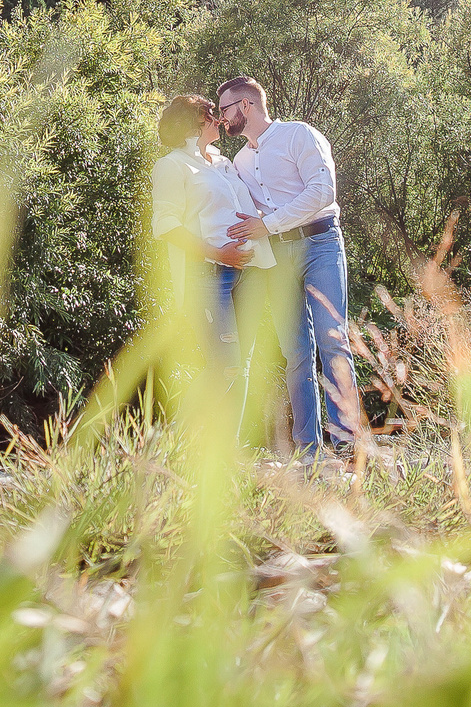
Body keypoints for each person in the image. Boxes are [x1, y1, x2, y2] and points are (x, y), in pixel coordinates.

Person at [216, 76, 354, 455]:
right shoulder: (240, 161)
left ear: (245, 106)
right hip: (277, 258)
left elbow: (323, 191)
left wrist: (268, 224)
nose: (221, 118)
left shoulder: (299, 135)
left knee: (333, 341)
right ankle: (307, 451)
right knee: (296, 352)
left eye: (225, 110)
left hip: (320, 244)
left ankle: (346, 445)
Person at [148, 94, 272, 354]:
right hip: (208, 276)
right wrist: (218, 254)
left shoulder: (223, 163)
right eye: (209, 114)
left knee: (243, 367)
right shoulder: (171, 165)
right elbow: (165, 225)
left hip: (250, 271)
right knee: (225, 367)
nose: (218, 120)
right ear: (192, 123)